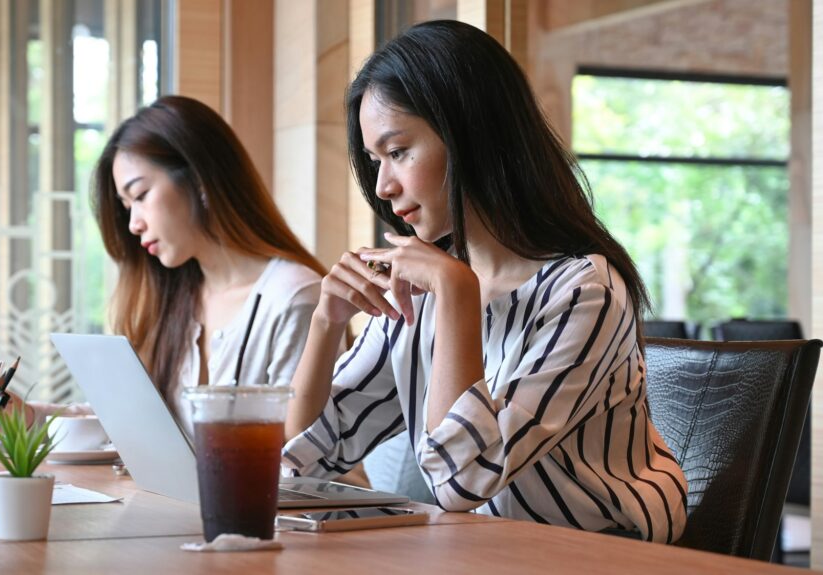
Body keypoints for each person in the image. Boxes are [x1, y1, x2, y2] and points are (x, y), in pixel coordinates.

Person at [282, 20, 687, 543]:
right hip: (488, 549)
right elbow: (307, 455)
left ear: (469, 136)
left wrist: (456, 294)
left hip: (604, 552)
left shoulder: (584, 290)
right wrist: (325, 322)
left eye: (399, 152)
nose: (383, 185)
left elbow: (461, 480)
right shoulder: (421, 282)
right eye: (373, 160)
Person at [90, 95, 328, 432]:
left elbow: (299, 454)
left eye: (140, 196)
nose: (133, 224)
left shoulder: (294, 296)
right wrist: (33, 415)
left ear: (200, 180)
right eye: (126, 206)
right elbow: (131, 422)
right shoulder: (174, 299)